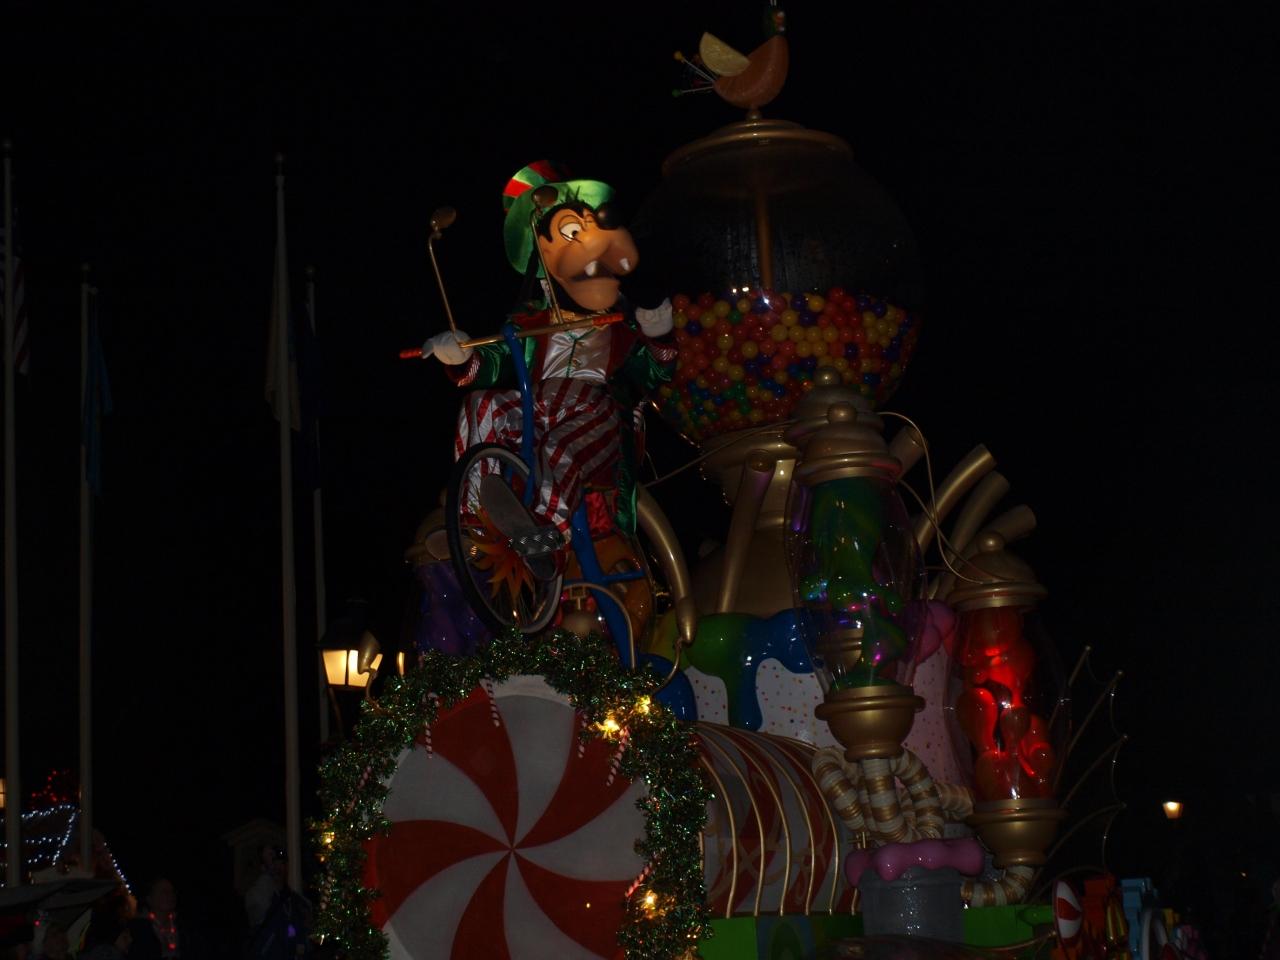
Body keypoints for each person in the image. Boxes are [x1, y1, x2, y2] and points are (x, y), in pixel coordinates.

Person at [425, 161, 675, 581]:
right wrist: (462, 357)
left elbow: (656, 372)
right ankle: (475, 521)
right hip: (536, 407)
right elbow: (493, 364)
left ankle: (546, 537)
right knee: (480, 405)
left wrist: (658, 334)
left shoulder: (623, 325)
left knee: (558, 450)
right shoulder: (530, 323)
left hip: (595, 412)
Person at [243, 846, 310, 960]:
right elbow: (258, 908)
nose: (278, 867)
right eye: (273, 861)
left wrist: (299, 944)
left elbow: (298, 931)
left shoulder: (294, 900)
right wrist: (267, 873)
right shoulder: (256, 894)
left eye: (282, 863)